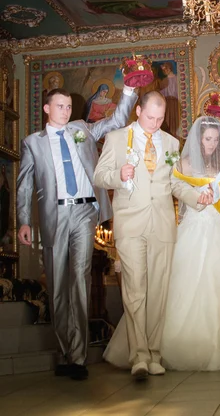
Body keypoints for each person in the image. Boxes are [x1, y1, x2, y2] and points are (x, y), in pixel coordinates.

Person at [17, 80, 138, 380]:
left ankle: (79, 358)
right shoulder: (33, 142)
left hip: (85, 211)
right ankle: (64, 353)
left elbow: (117, 120)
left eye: (69, 106)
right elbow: (24, 185)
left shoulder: (82, 129)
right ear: (47, 109)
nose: (66, 110)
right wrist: (24, 221)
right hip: (55, 215)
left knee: (80, 280)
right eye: (60, 106)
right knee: (58, 285)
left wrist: (128, 91)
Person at [93, 91, 213, 380]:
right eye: (150, 117)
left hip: (162, 224)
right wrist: (117, 176)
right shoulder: (117, 138)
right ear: (138, 111)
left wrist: (198, 197)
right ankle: (139, 356)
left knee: (158, 291)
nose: (155, 124)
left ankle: (155, 354)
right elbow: (99, 176)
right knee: (135, 290)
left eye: (160, 119)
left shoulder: (171, 143)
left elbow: (175, 183)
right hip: (131, 224)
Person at [159, 61, 179, 137]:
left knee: (175, 119)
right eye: (164, 70)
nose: (165, 71)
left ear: (170, 68)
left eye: (166, 69)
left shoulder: (177, 79)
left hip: (175, 104)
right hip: (167, 104)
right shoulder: (164, 81)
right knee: (167, 120)